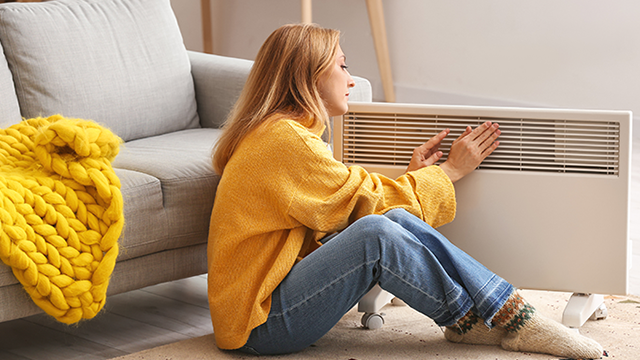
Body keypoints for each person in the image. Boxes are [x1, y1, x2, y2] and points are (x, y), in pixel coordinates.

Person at [207, 23, 604, 359]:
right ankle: (514, 317)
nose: (351, 79)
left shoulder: (279, 135)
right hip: (260, 324)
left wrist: (412, 178)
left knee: (390, 219)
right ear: (307, 75)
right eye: (342, 66)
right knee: (376, 233)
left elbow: (350, 200)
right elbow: (363, 208)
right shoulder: (284, 141)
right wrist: (449, 170)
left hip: (268, 306)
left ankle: (482, 318)